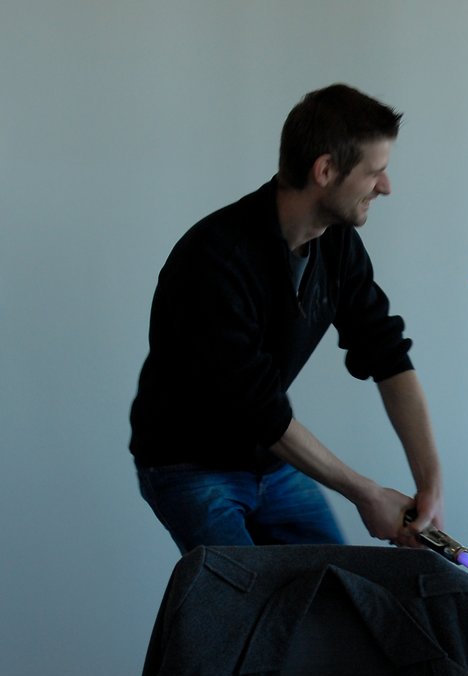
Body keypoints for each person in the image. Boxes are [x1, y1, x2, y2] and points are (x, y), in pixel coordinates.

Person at [129, 84, 442, 554]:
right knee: (245, 612)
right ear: (324, 170)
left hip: (270, 461)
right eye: (375, 172)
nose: (386, 186)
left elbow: (387, 354)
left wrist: (429, 485)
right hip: (188, 464)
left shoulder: (335, 244)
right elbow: (261, 411)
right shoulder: (215, 260)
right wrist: (368, 495)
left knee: (333, 599)